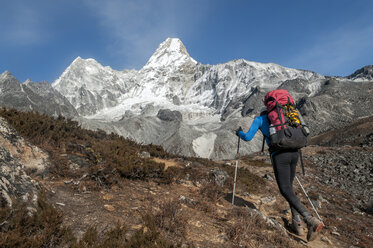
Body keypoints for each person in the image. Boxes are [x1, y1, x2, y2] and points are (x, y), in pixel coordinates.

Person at [235, 106, 323, 241]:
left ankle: (309, 219)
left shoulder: (260, 119)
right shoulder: (285, 116)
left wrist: (239, 133)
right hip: (294, 153)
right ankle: (297, 224)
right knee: (290, 189)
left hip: (280, 156)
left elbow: (247, 137)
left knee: (285, 190)